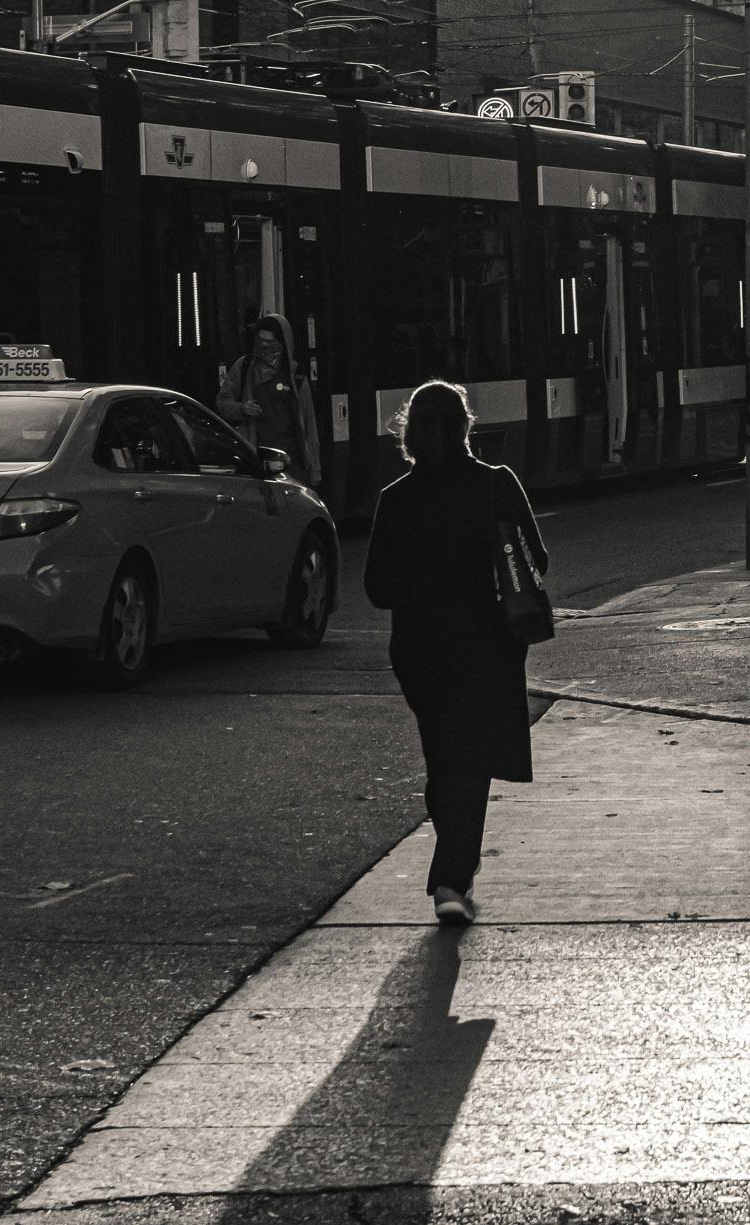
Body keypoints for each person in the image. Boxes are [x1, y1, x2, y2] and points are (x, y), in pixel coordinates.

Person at [362, 381, 544, 927]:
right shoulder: (496, 485)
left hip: (419, 649)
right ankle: (451, 880)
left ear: (409, 433)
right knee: (472, 761)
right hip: (486, 642)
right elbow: (536, 559)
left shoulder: (395, 499)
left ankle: (452, 871)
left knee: (445, 756)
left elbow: (376, 589)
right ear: (466, 427)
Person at [215, 313, 323, 487]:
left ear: (283, 343)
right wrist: (241, 409)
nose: (264, 346)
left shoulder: (296, 375)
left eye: (270, 342)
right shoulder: (243, 367)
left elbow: (308, 423)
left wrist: (314, 469)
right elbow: (222, 403)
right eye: (260, 340)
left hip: (289, 460)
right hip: (254, 457)